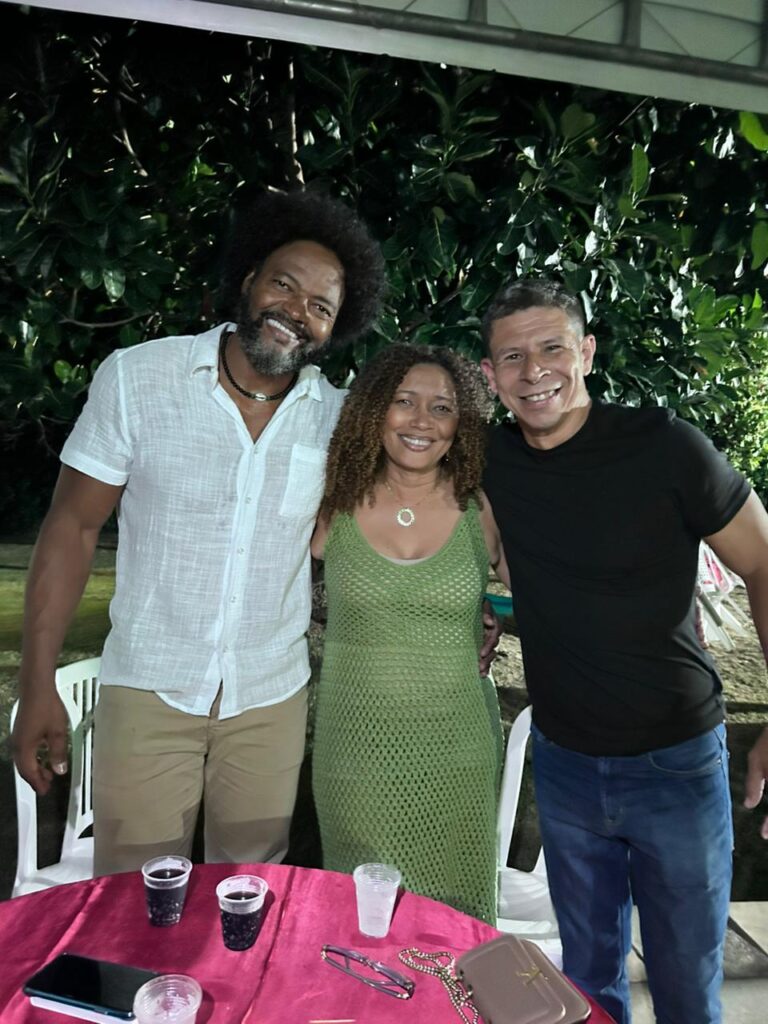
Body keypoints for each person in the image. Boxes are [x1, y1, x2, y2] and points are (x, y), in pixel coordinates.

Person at [12, 189, 387, 875]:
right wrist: (36, 683)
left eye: (321, 306)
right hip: (150, 687)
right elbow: (72, 526)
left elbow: (374, 538)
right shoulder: (138, 380)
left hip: (270, 697)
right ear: (248, 279)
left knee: (250, 893)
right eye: (284, 284)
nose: (295, 311)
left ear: (336, 328)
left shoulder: (337, 420)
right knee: (135, 899)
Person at [480, 277, 768, 1024]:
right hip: (566, 763)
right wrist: (477, 610)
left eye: (551, 348)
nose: (533, 371)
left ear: (586, 352)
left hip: (676, 761)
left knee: (685, 986)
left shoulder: (665, 446)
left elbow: (764, 560)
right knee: (585, 983)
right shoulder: (490, 461)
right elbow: (473, 556)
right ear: (490, 374)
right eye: (512, 356)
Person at [310, 343, 507, 924]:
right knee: (359, 916)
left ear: (460, 424)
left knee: (455, 920)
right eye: (405, 402)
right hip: (355, 751)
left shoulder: (478, 509)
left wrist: (486, 616)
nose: (422, 421)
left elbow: (549, 599)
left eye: (442, 408)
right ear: (374, 410)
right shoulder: (332, 504)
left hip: (457, 751)